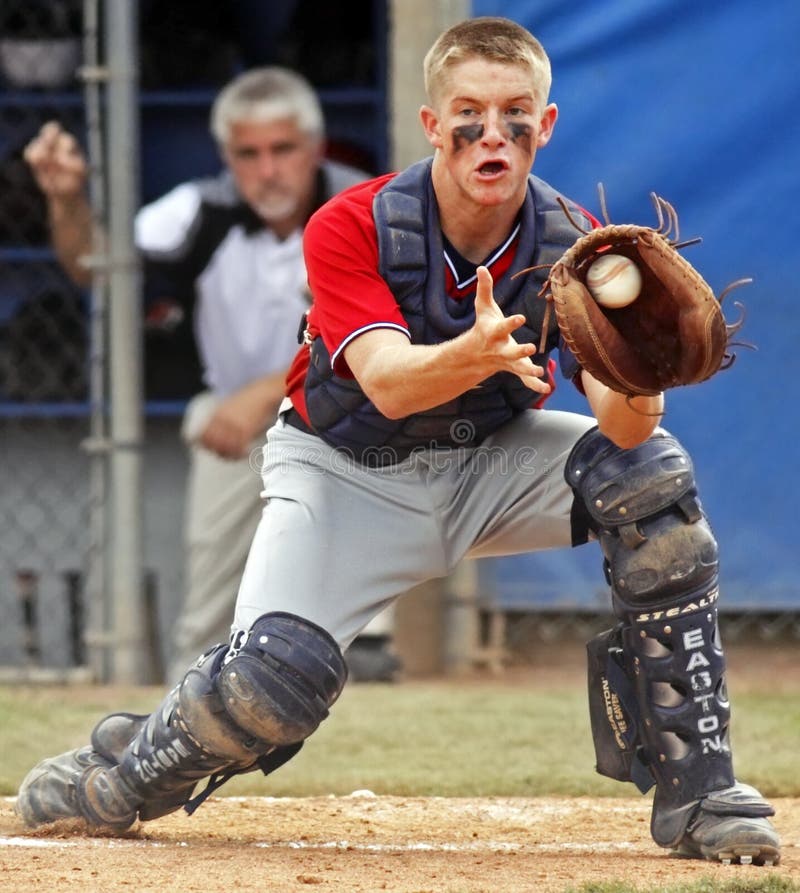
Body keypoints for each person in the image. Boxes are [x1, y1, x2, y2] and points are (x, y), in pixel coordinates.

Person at [16, 18, 780, 865]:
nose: (492, 135)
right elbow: (385, 379)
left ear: (547, 125)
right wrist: (474, 353)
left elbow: (623, 426)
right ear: (431, 125)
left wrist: (642, 374)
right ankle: (119, 775)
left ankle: (700, 788)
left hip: (487, 465)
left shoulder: (571, 242)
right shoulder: (356, 222)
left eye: (515, 115)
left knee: (652, 478)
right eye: (469, 114)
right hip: (345, 473)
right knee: (272, 688)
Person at [22, 66, 398, 685]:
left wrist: (269, 391)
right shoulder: (200, 208)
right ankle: (187, 718)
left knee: (359, 621)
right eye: (249, 154)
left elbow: (397, 339)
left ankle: (371, 682)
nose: (268, 170)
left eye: (283, 149)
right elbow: (95, 266)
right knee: (209, 615)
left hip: (355, 420)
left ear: (315, 146)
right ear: (228, 157)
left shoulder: (367, 206)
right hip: (235, 426)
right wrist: (67, 198)